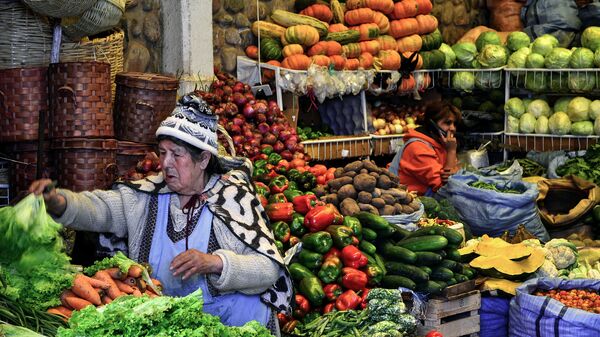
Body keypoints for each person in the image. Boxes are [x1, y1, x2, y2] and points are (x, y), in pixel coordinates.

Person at [29, 95, 292, 332]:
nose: (166, 164)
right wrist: (61, 202)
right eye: (163, 153)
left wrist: (215, 262)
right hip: (169, 322)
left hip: (234, 321)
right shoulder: (147, 197)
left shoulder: (232, 198)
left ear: (202, 160)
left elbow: (268, 268)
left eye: (177, 155)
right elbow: (102, 209)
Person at [389, 101, 461, 196]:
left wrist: (454, 171)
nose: (453, 128)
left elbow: (453, 175)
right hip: (409, 201)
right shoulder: (418, 147)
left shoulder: (442, 144)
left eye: (454, 124)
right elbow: (445, 188)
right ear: (432, 123)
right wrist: (451, 151)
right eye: (447, 123)